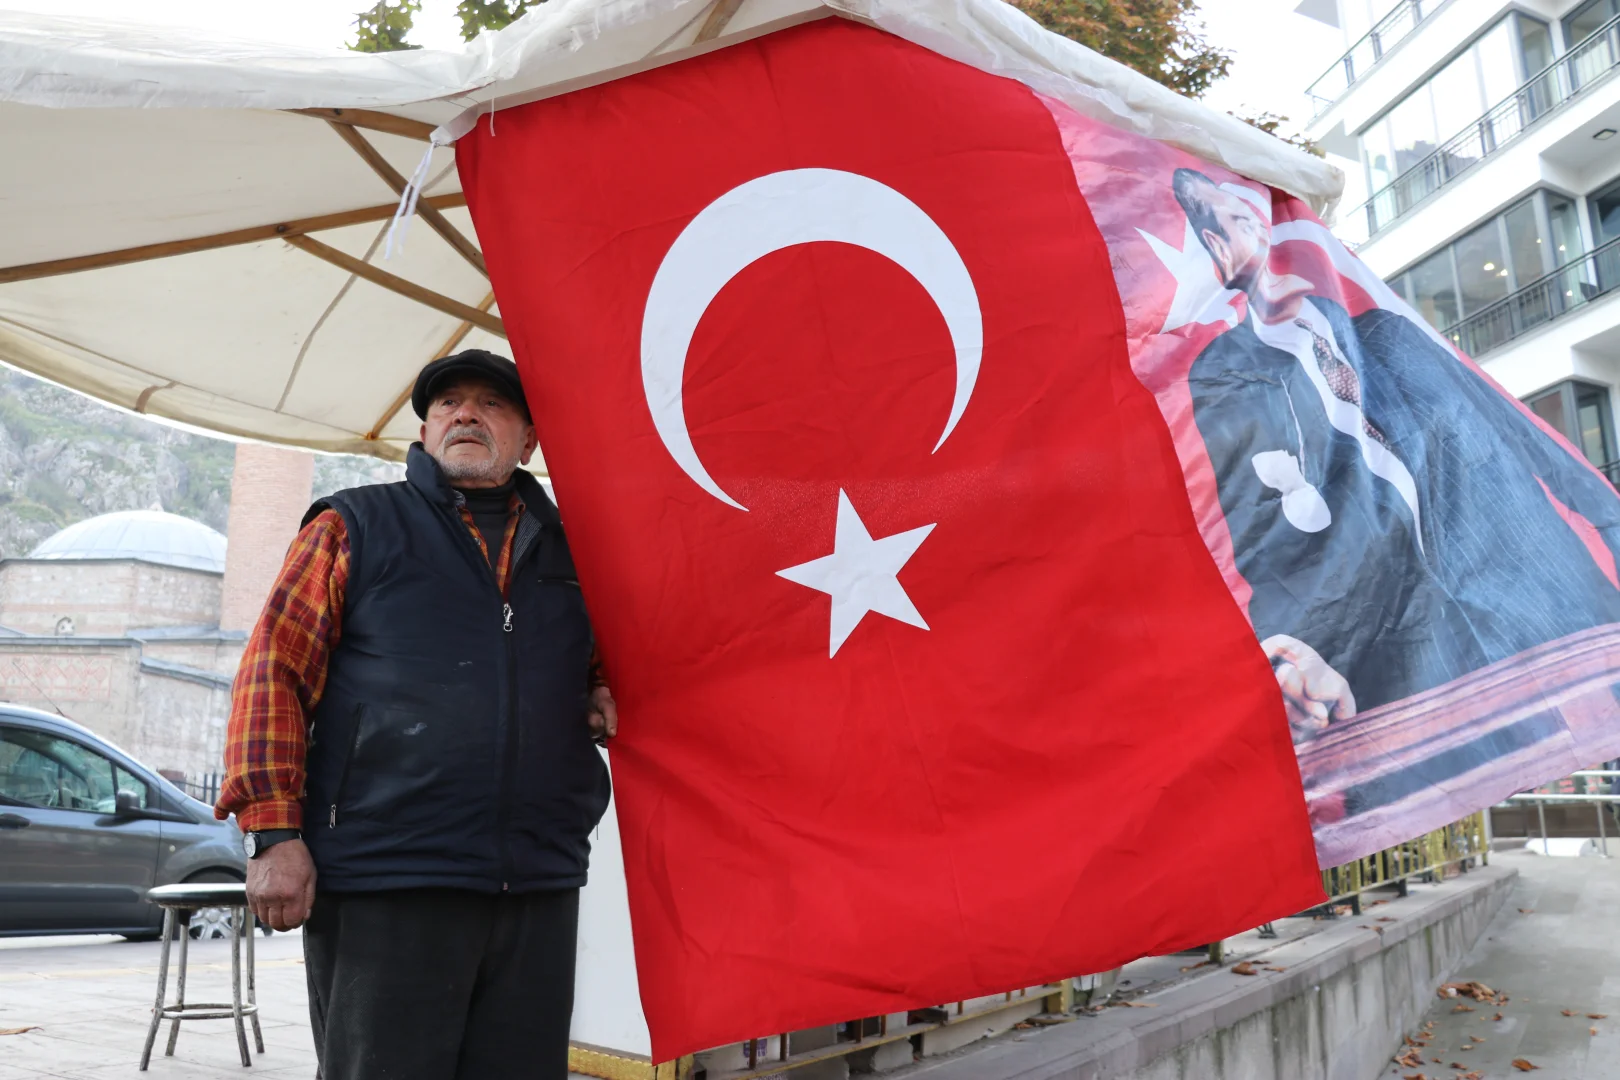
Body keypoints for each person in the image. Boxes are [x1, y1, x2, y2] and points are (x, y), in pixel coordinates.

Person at [214, 349, 615, 1080]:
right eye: (447, 404)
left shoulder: (578, 550)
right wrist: (273, 833)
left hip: (536, 880)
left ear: (529, 440)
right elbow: (273, 672)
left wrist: (607, 690)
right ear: (427, 433)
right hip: (387, 878)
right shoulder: (353, 525)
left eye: (491, 404)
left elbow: (612, 667)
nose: (465, 414)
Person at [1171, 167, 1620, 741]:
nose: (1255, 228)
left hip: (1538, 585)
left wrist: (1605, 521)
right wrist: (1287, 651)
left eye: (1254, 214)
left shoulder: (1383, 332)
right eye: (1232, 220)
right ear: (1214, 246)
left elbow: (1514, 429)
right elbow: (1251, 530)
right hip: (1404, 641)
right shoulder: (1223, 377)